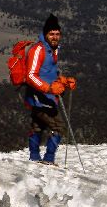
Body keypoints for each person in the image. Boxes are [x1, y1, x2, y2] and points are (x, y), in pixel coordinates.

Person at [23, 13, 77, 164]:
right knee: (58, 127)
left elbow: (49, 72)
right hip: (39, 97)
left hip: (44, 96)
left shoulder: (52, 50)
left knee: (37, 125)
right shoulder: (38, 50)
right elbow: (31, 76)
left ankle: (34, 157)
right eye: (51, 34)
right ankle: (48, 159)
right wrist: (49, 89)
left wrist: (63, 81)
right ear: (45, 34)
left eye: (57, 34)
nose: (55, 37)